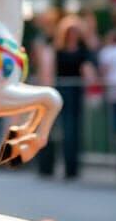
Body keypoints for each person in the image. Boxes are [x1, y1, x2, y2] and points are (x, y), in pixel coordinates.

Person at [39, 15, 96, 178]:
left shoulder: (84, 51)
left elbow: (89, 71)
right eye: (70, 31)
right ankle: (46, 168)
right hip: (57, 93)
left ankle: (71, 170)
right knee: (50, 130)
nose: (72, 35)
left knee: (72, 132)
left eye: (75, 31)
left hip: (74, 95)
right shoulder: (55, 49)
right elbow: (48, 72)